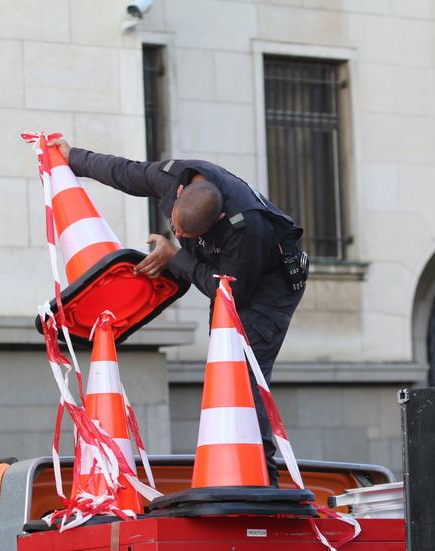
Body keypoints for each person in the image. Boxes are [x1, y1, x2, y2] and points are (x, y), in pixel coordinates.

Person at [49, 139, 306, 487]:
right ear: (179, 192)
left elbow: (229, 292)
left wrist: (177, 257)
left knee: (243, 367)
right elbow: (125, 172)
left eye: (189, 235)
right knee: (224, 362)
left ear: (217, 220)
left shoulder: (247, 229)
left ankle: (262, 476)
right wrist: (71, 158)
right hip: (228, 271)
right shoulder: (171, 177)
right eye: (176, 227)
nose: (179, 234)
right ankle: (234, 460)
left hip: (265, 287)